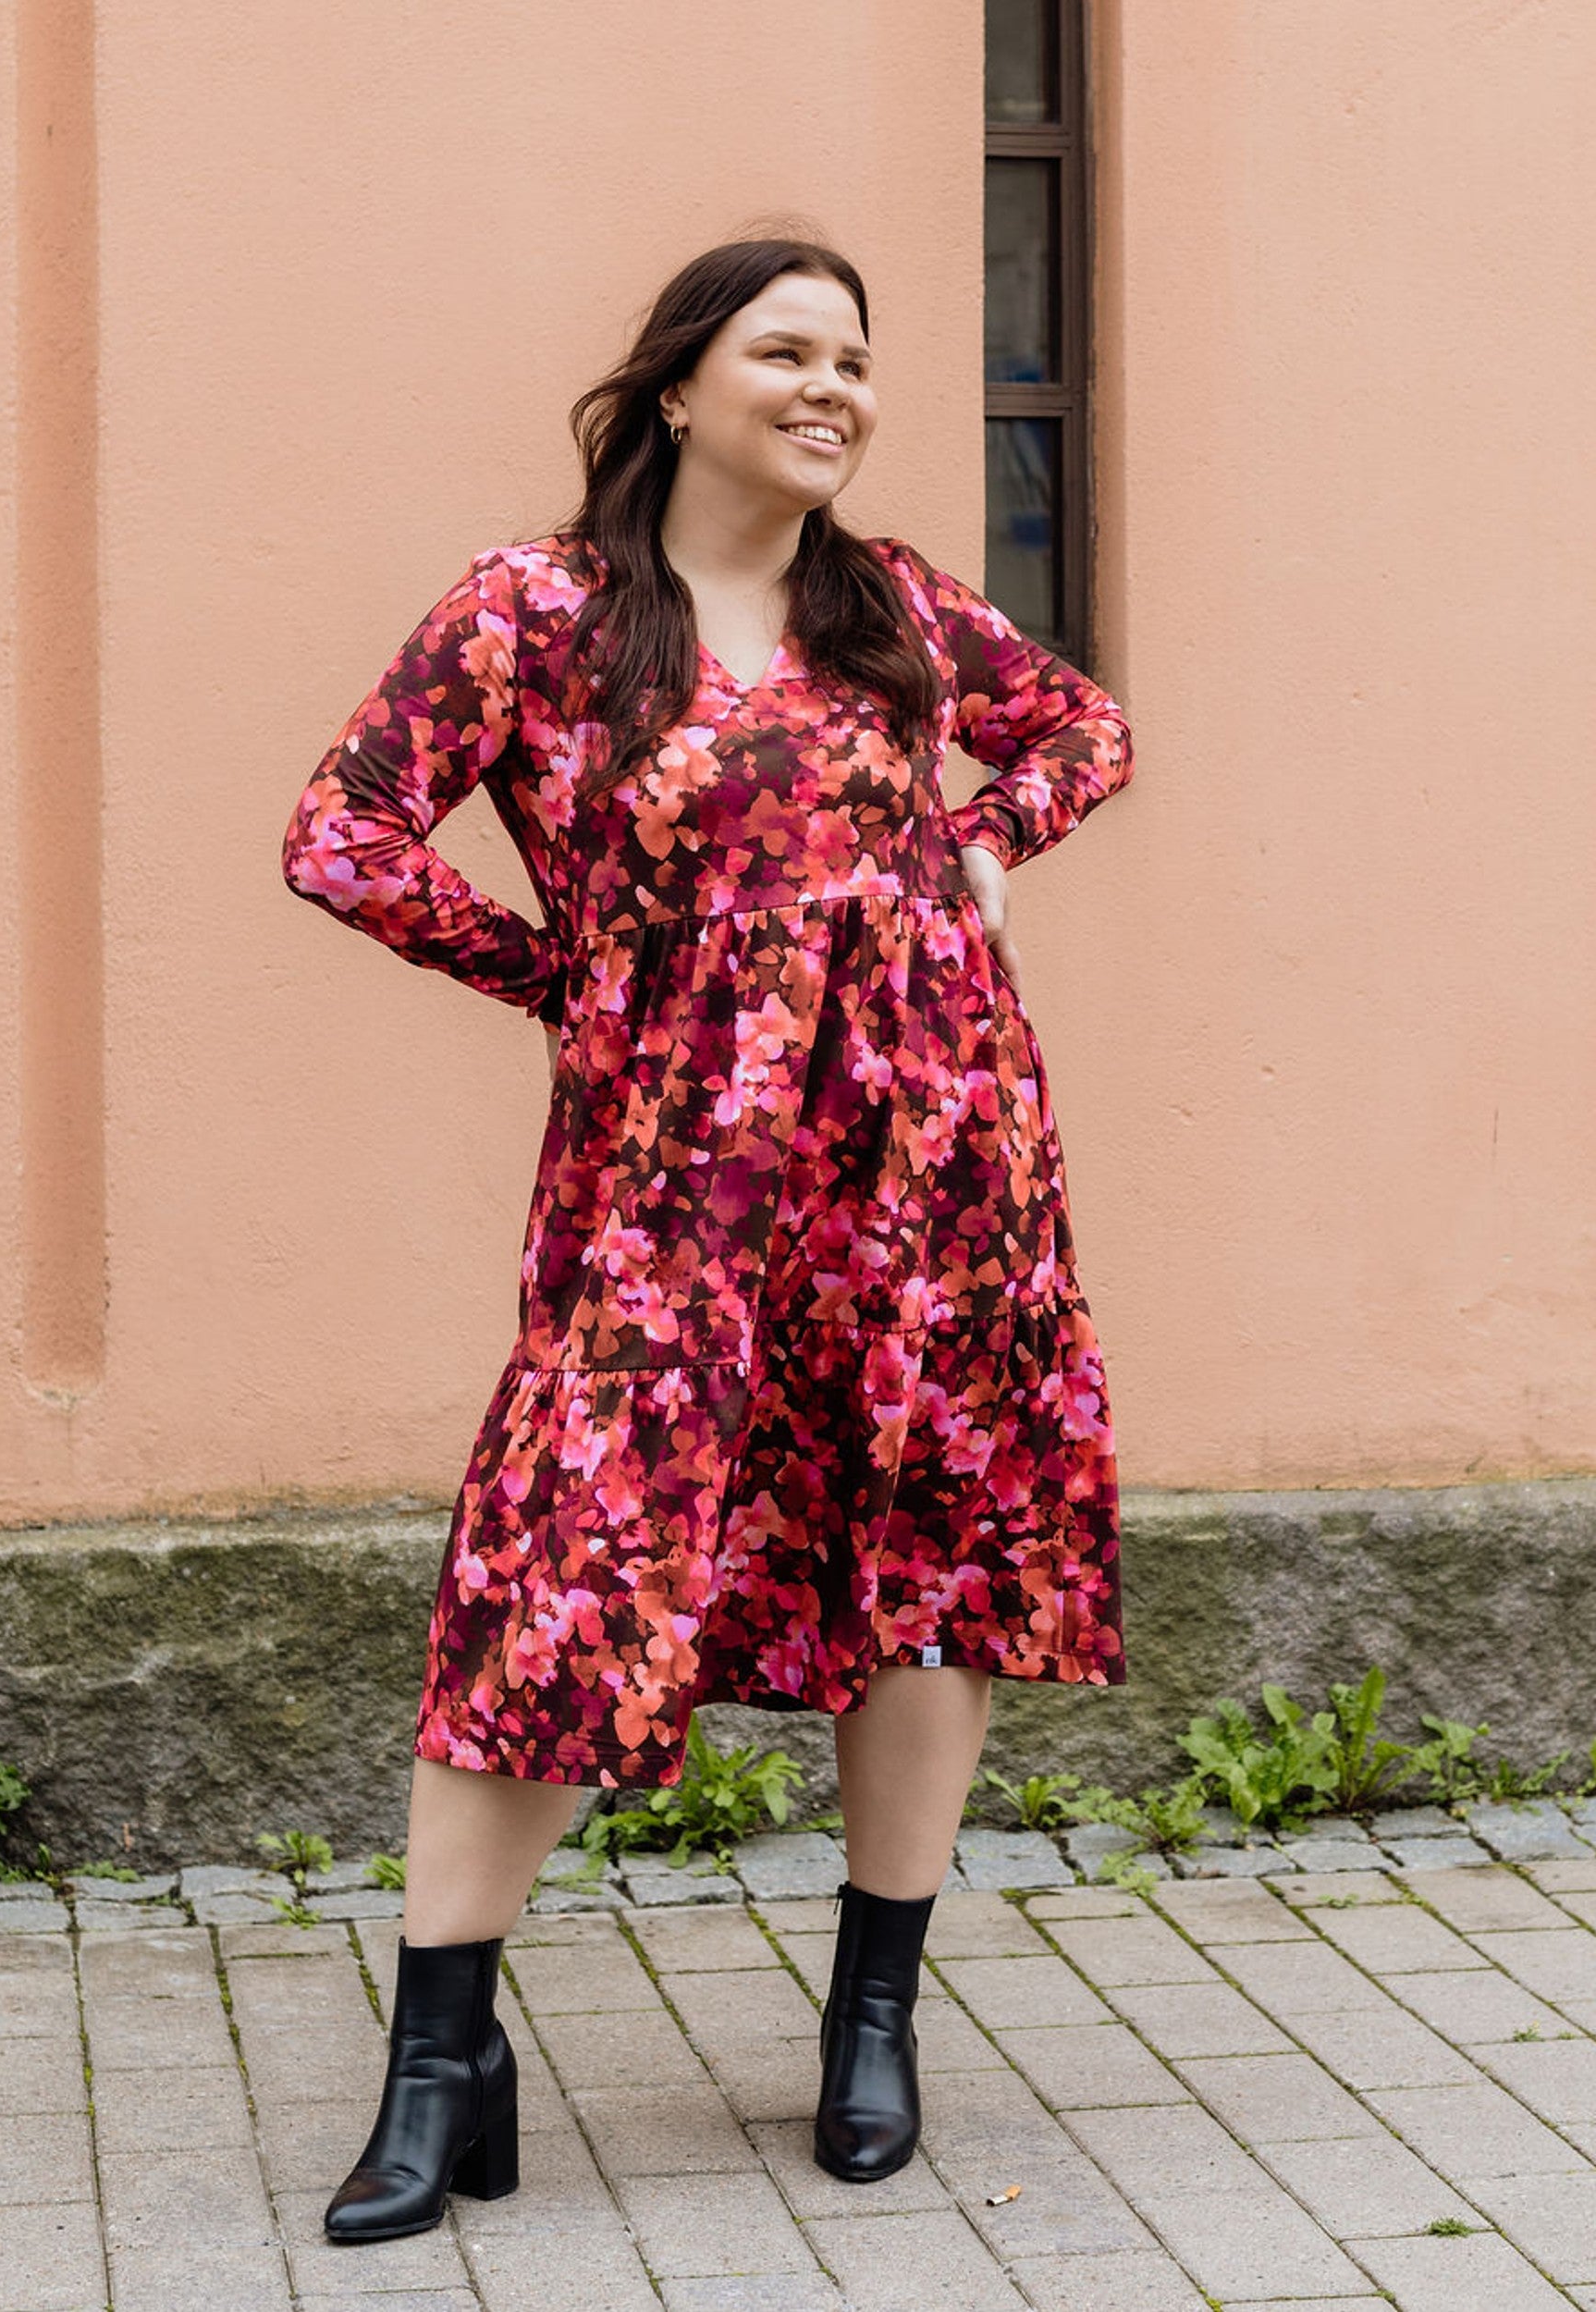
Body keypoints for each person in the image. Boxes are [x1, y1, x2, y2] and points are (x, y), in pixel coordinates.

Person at [280, 235, 1136, 2246]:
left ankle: (871, 2016)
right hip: (669, 1179)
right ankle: (440, 2061)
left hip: (934, 1165)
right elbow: (343, 835)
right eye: (786, 350)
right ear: (678, 385)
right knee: (559, 1558)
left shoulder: (894, 603)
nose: (834, 387)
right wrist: (562, 973)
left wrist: (983, 840)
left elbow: (1082, 730)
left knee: (917, 1554)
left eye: (856, 358)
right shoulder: (536, 610)